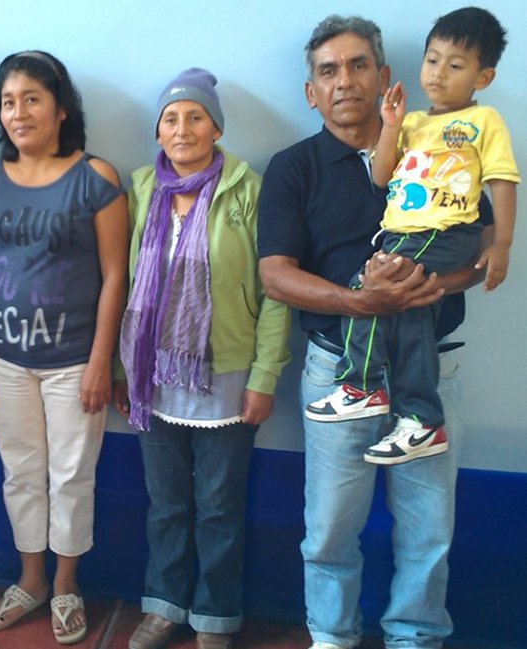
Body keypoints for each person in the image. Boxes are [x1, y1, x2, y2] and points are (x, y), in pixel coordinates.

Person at [257, 15, 493, 649]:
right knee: (329, 530)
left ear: (385, 78)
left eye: (359, 65)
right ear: (311, 91)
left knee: (428, 532)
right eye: (327, 71)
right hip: (338, 372)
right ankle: (331, 638)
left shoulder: (446, 151)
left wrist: (433, 286)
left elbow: (484, 251)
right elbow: (275, 275)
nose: (344, 81)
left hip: (432, 372)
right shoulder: (293, 168)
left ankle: (415, 638)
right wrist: (360, 301)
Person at [114, 68, 291, 649]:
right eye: (170, 118)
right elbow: (122, 286)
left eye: (195, 116)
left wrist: (264, 377)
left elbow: (274, 295)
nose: (182, 128)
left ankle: (214, 618)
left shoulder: (250, 191)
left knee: (218, 509)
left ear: (216, 127)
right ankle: (164, 606)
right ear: (158, 131)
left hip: (227, 378)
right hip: (153, 376)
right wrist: (121, 370)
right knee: (166, 505)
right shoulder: (140, 189)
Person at [0, 51, 128, 644]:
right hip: (4, 359)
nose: (18, 111)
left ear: (60, 110)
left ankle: (65, 586)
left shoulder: (96, 179)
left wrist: (102, 361)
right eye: (8, 101)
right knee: (21, 473)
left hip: (75, 362)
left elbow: (115, 276)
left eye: (32, 98)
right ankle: (29, 580)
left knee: (71, 475)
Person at [306, 7, 519, 465]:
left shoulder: (485, 123)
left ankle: (361, 386)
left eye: (455, 65)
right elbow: (382, 179)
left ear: (483, 77)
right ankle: (422, 420)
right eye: (432, 60)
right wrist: (392, 125)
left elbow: (502, 181)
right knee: (413, 314)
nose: (439, 73)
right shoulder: (416, 123)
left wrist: (501, 242)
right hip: (404, 231)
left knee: (373, 283)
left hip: (442, 230)